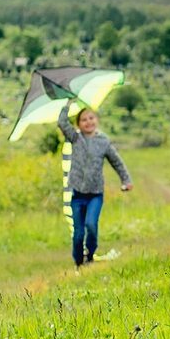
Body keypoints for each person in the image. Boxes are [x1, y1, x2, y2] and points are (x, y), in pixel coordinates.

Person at [58, 102, 133, 269]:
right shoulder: (75, 138)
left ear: (97, 120)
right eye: (83, 119)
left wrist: (126, 180)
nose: (88, 122)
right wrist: (67, 105)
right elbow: (62, 123)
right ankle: (79, 262)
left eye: (91, 118)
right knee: (78, 234)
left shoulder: (103, 141)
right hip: (77, 195)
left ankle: (90, 256)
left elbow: (117, 162)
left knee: (91, 225)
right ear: (78, 124)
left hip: (95, 194)